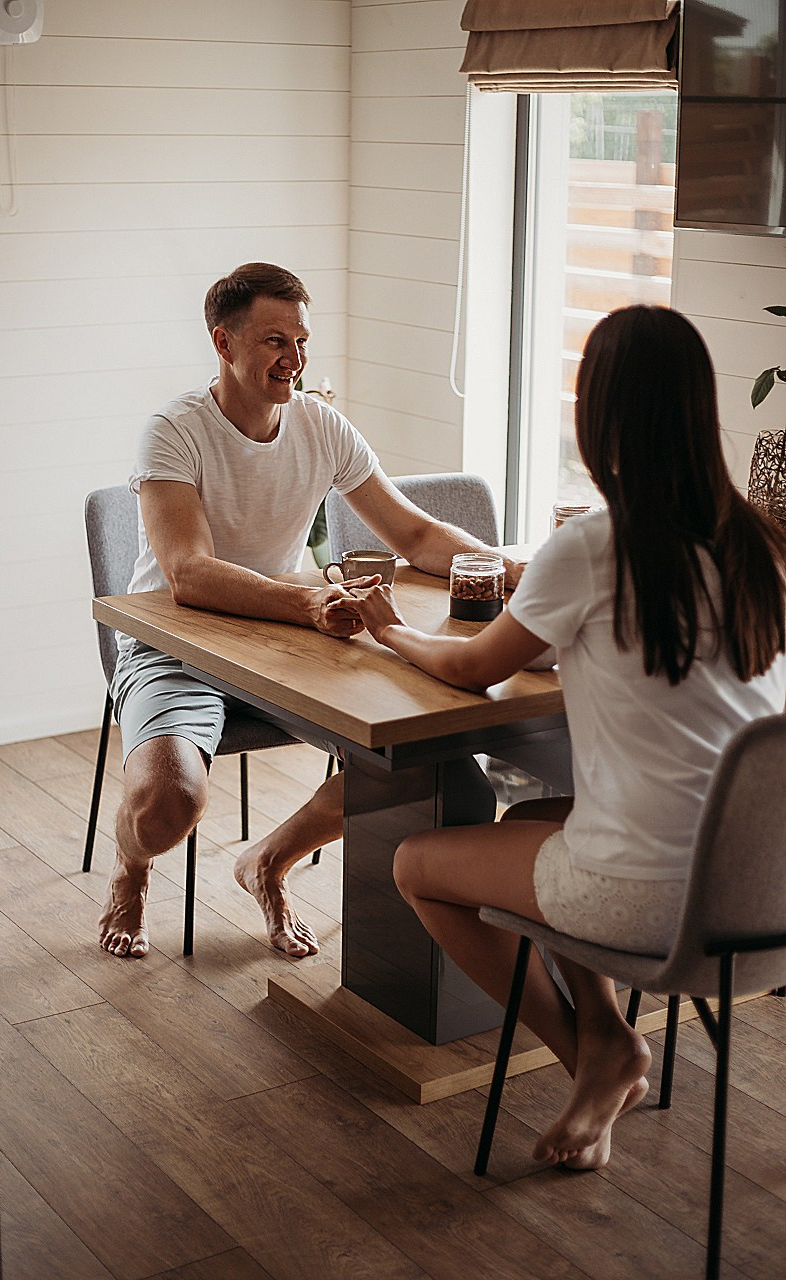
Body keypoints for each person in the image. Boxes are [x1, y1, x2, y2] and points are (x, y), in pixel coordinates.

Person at [342, 306, 786, 1171]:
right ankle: (608, 1039)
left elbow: (473, 669)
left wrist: (387, 630)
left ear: (599, 417)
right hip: (763, 898)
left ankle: (591, 1052)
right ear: (701, 411)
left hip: (654, 903)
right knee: (533, 819)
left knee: (416, 866)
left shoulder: (592, 546)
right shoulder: (759, 546)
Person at [99, 261, 515, 961]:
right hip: (179, 645)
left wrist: (504, 566)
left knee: (419, 757)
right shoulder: (173, 429)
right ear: (223, 344)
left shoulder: (321, 425)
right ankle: (133, 867)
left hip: (288, 640)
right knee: (168, 807)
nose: (293, 359)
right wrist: (307, 601)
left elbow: (413, 534)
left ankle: (267, 861)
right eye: (273, 342)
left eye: (301, 340)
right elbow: (189, 574)